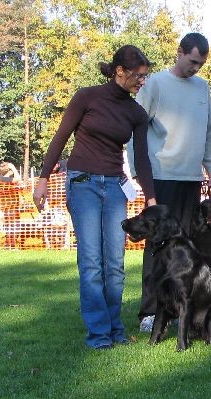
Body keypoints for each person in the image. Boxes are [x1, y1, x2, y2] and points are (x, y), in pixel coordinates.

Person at [33, 45, 156, 350]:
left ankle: (115, 328)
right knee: (91, 263)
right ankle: (99, 334)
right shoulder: (86, 97)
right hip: (83, 183)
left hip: (115, 187)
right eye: (138, 76)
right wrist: (43, 178)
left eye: (145, 76)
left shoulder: (136, 113)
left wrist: (151, 199)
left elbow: (142, 160)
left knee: (114, 263)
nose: (142, 82)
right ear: (120, 72)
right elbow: (60, 136)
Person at [126, 32, 211, 332]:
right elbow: (135, 127)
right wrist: (136, 169)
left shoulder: (203, 88)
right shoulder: (154, 84)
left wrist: (210, 164)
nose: (196, 68)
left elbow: (209, 130)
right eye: (193, 61)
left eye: (201, 64)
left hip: (191, 179)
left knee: (185, 249)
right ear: (179, 52)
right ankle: (150, 313)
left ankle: (183, 310)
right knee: (156, 246)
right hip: (161, 176)